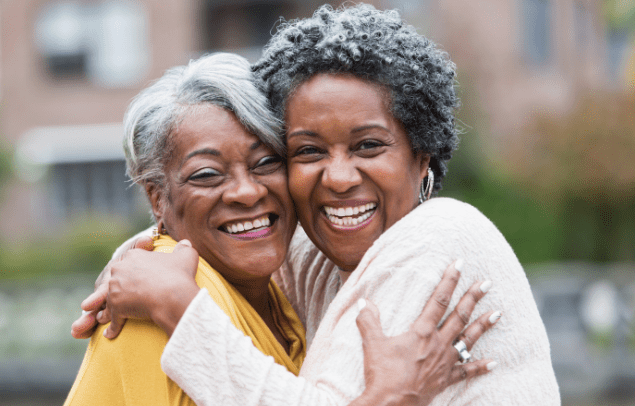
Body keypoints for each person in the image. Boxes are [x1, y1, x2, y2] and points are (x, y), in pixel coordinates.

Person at [75, 4, 561, 405]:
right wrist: (140, 255)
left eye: (368, 146)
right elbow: (238, 230)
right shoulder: (321, 254)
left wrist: (178, 305)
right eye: (308, 151)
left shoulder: (441, 238)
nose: (340, 178)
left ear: (423, 156)